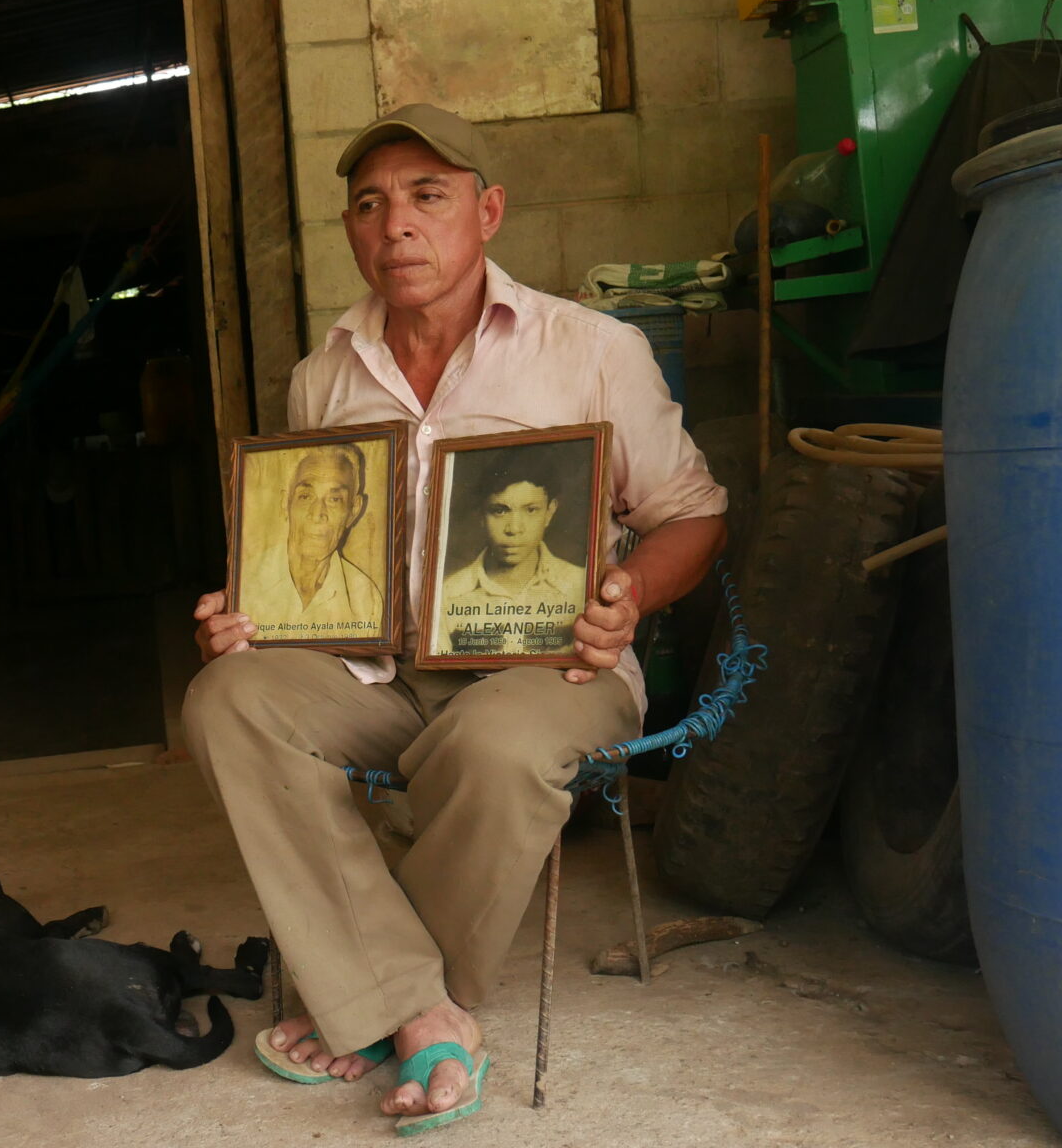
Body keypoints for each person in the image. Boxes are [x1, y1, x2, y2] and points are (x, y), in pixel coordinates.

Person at [183, 103, 727, 1131]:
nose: (396, 226)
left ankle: (372, 1001)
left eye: (426, 198)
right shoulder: (321, 376)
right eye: (369, 204)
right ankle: (419, 1006)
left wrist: (627, 598)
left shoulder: (591, 349)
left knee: (497, 742)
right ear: (348, 229)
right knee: (227, 700)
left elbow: (693, 516)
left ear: (486, 212)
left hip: (554, 670)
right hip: (375, 673)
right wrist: (251, 617)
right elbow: (311, 564)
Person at [434, 455, 588, 656]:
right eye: (499, 511)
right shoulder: (447, 595)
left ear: (550, 511)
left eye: (531, 510)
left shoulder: (580, 585)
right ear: (481, 515)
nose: (514, 528)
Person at [240, 444, 385, 641]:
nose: (318, 514)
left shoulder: (366, 599)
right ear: (286, 503)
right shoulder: (248, 582)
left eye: (335, 499)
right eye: (305, 496)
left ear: (354, 510)